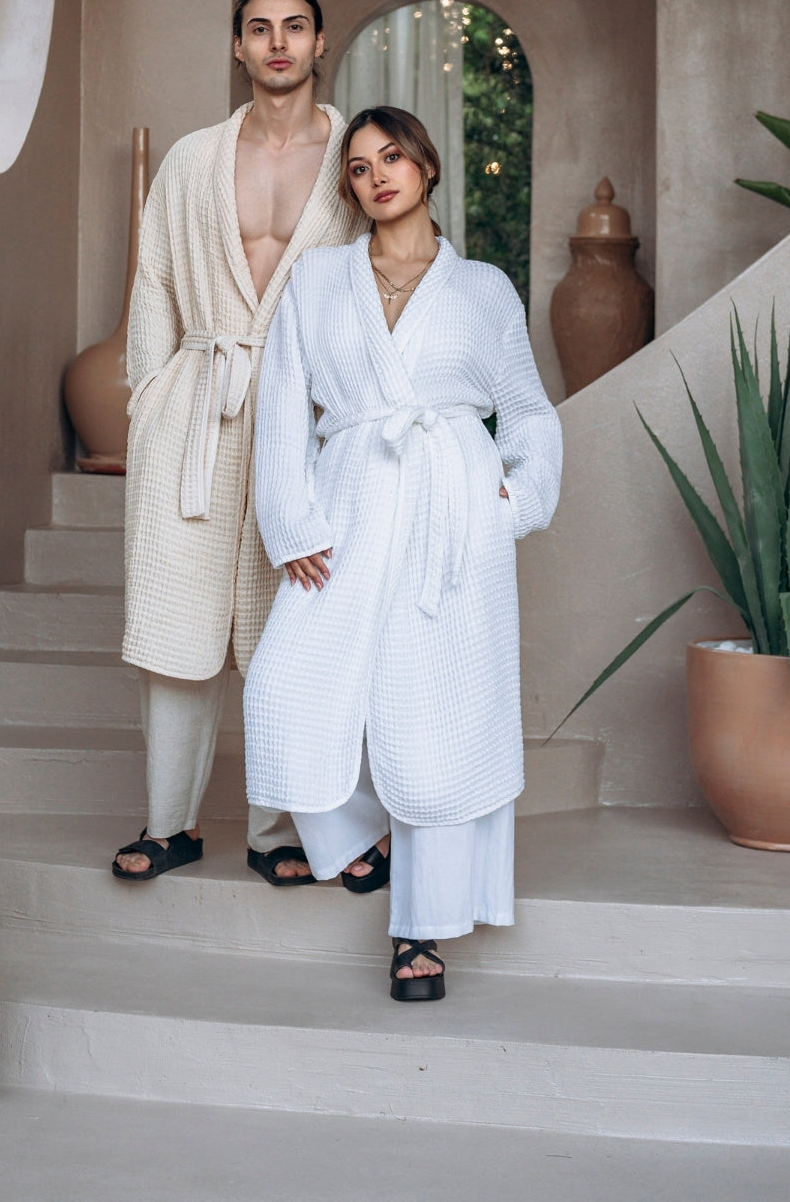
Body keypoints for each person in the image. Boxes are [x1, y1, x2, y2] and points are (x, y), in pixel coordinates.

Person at [244, 106, 562, 998]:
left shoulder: (484, 290)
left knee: (440, 709)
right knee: (283, 683)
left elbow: (529, 412)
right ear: (346, 189)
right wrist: (292, 519)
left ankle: (422, 931)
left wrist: (515, 498)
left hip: (452, 510)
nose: (377, 175)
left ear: (425, 165)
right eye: (357, 167)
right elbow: (283, 405)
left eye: (392, 157)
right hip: (347, 500)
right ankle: (354, 840)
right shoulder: (315, 281)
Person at [113, 0, 361, 887]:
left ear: (320, 41)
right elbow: (154, 292)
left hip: (304, 414)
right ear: (238, 47)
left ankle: (277, 831)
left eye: (295, 26)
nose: (278, 42)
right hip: (197, 411)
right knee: (177, 620)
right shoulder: (191, 160)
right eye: (260, 29)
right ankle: (169, 824)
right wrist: (150, 403)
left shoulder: (350, 161)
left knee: (288, 621)